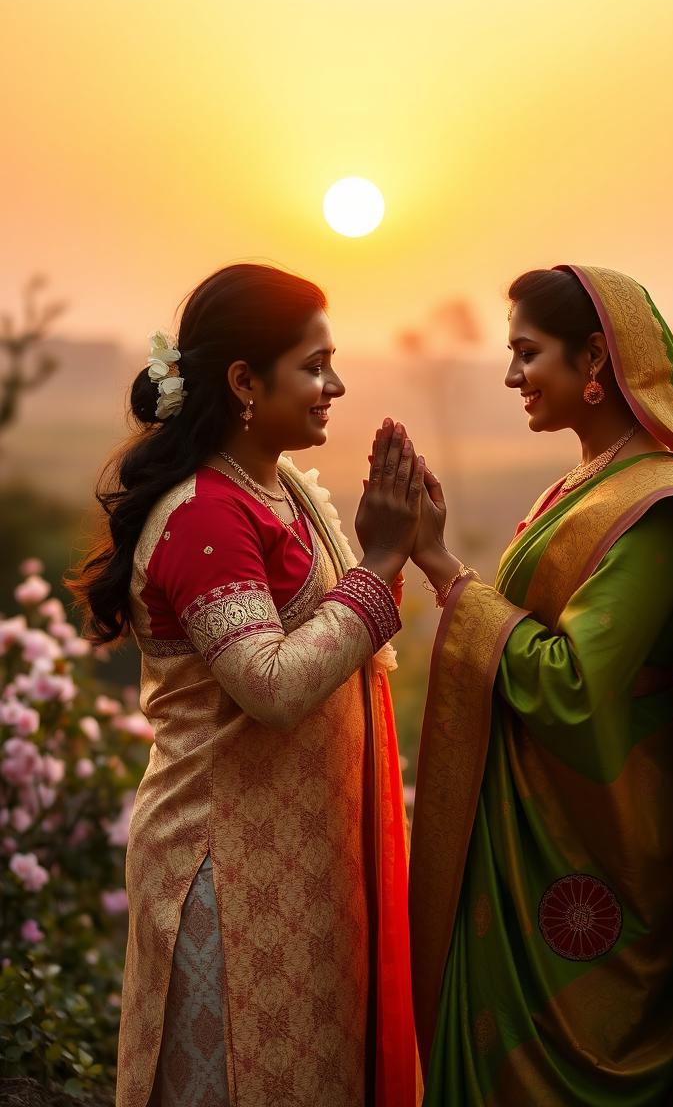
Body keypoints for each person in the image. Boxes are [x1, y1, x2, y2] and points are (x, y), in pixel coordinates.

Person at [407, 264, 673, 1105]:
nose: (512, 375)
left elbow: (576, 690)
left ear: (595, 358)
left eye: (528, 352)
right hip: (545, 835)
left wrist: (442, 566)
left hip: (603, 854)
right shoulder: (582, 484)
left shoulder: (660, 507)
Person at [67, 263, 422, 1107]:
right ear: (243, 382)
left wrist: (407, 546)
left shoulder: (282, 489)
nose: (335, 385)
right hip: (224, 875)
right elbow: (270, 685)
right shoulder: (203, 513)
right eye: (315, 364)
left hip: (303, 871)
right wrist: (378, 564)